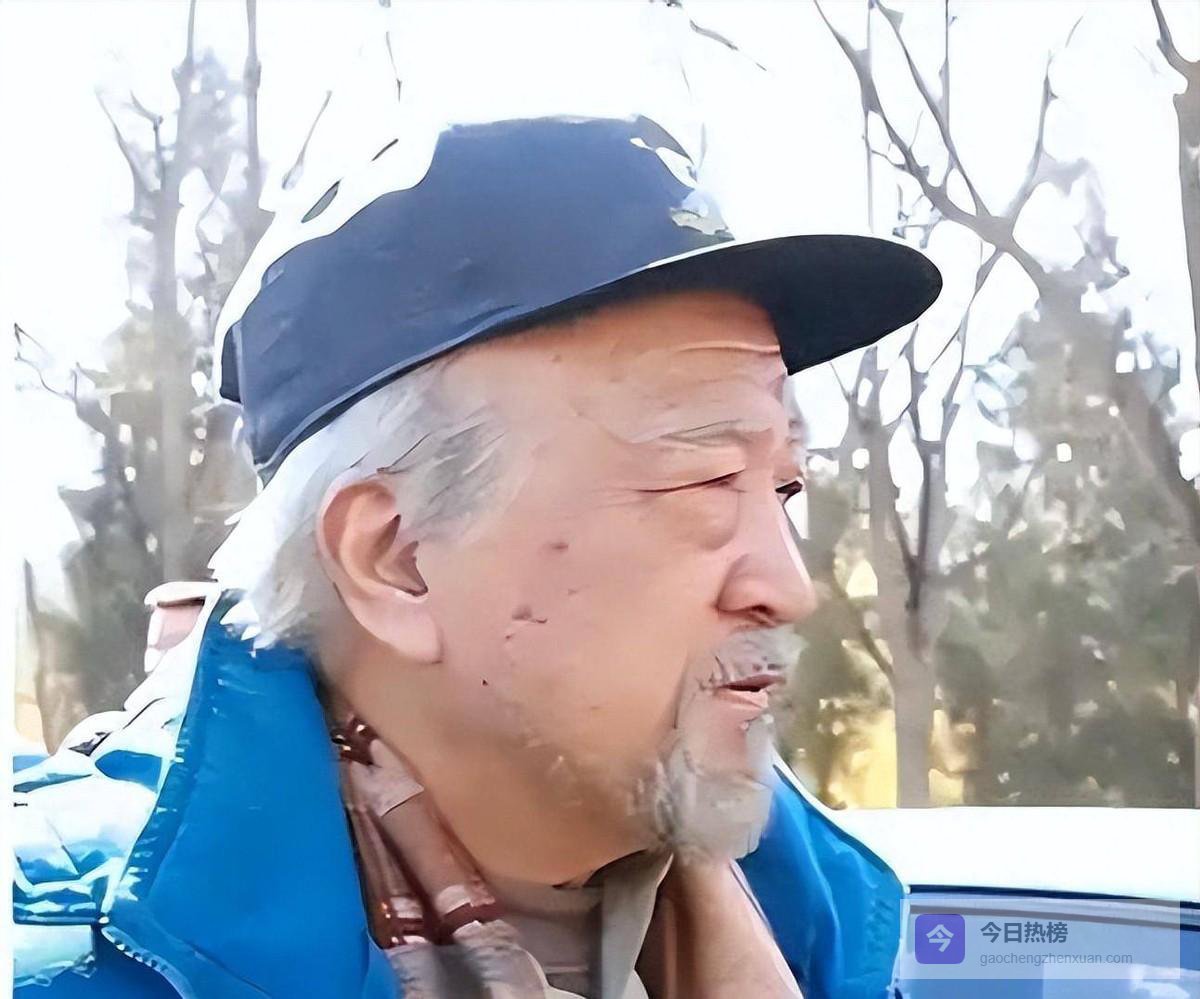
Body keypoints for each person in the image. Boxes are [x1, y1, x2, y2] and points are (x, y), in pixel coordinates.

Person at [13, 115, 940, 998]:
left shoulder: (815, 927)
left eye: (784, 487)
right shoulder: (86, 968)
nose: (788, 587)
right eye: (706, 480)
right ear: (397, 558)